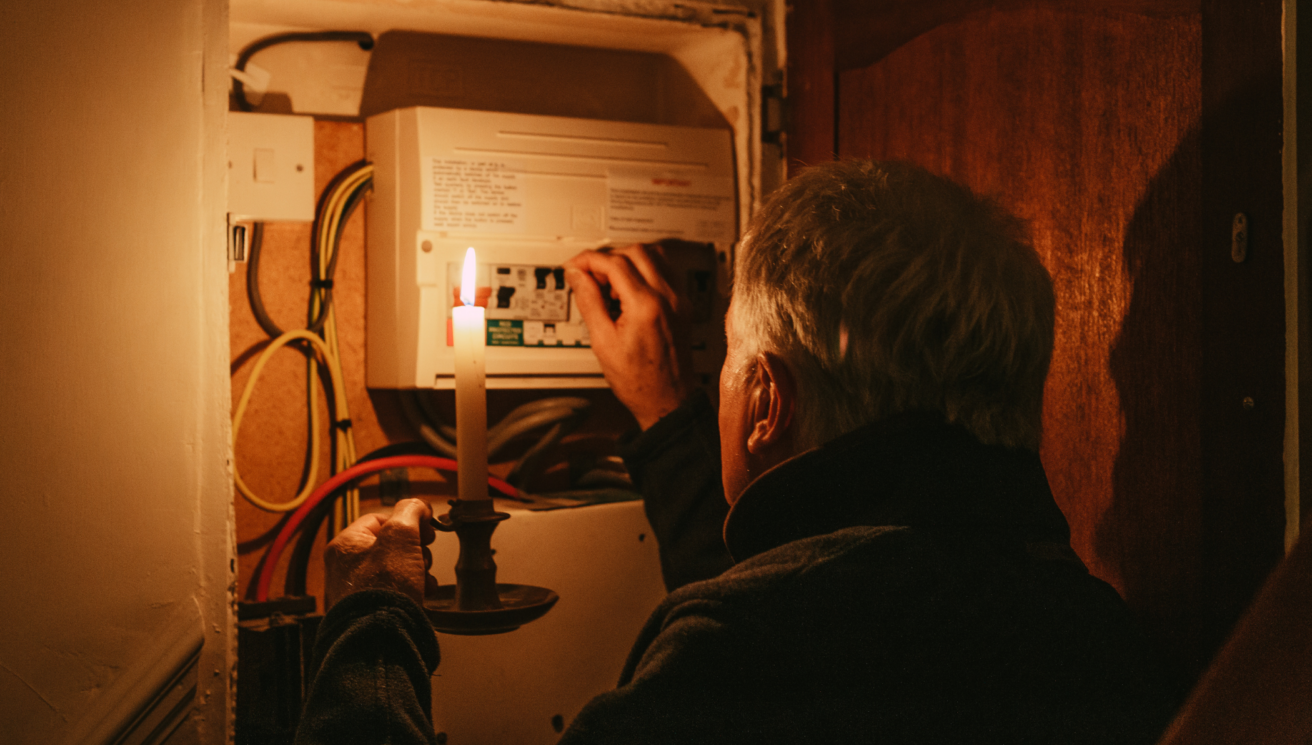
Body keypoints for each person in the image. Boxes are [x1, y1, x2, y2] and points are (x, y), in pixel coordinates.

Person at [295, 161, 1177, 745]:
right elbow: (812, 569)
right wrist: (672, 414)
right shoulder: (1099, 638)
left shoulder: (742, 658)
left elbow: (782, 620)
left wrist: (372, 623)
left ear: (764, 403)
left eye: (729, 362)